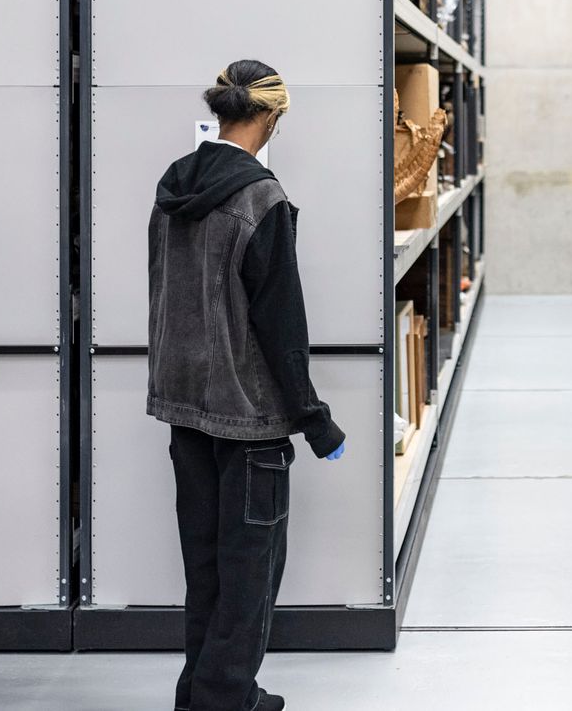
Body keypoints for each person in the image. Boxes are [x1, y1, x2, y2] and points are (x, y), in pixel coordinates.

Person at [147, 60, 347, 711]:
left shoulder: (171, 187)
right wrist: (316, 420)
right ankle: (227, 695)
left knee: (203, 563)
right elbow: (281, 324)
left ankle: (201, 690)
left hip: (184, 405)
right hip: (249, 418)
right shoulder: (262, 199)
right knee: (249, 570)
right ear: (271, 116)